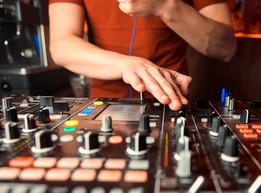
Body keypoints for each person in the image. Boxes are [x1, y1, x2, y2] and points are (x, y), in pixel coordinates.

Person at [48, 0, 237, 111]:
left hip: (171, 106)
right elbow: (61, 45)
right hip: (102, 106)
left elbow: (226, 48)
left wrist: (166, 6)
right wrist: (125, 65)